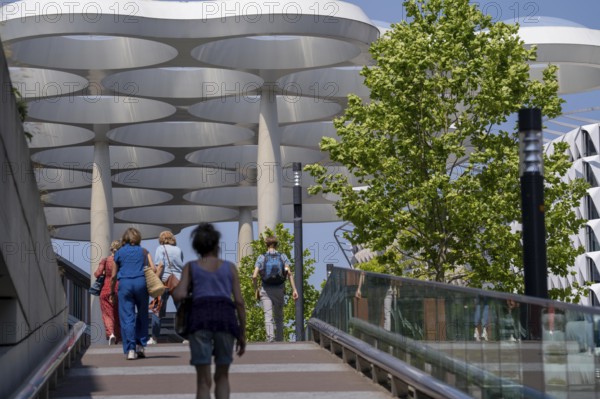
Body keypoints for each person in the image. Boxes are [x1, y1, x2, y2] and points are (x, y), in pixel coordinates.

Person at [172, 223, 246, 399]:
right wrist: (241, 333)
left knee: (203, 381)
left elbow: (179, 294)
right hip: (225, 320)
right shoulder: (230, 268)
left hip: (200, 319)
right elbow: (240, 302)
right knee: (222, 376)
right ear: (216, 244)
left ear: (197, 247)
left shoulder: (191, 267)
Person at [110, 227, 156, 360]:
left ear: (125, 238)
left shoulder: (119, 253)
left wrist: (112, 292)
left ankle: (131, 350)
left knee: (127, 318)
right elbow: (153, 268)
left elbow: (113, 276)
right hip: (141, 284)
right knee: (142, 315)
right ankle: (141, 346)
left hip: (125, 285)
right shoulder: (143, 251)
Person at [252, 235, 298, 342]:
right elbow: (289, 273)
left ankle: (270, 339)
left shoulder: (261, 257)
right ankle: (280, 340)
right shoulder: (283, 257)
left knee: (268, 315)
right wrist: (294, 289)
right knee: (279, 317)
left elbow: (254, 276)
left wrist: (256, 290)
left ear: (266, 245)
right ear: (277, 245)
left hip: (266, 290)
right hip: (279, 289)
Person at [148, 231, 184, 345]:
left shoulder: (160, 248)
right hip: (177, 282)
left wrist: (155, 280)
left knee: (157, 309)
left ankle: (154, 338)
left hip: (163, 282)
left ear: (162, 239)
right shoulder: (178, 250)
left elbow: (161, 265)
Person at [95, 240, 122, 345]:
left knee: (107, 314)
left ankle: (111, 334)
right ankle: (118, 337)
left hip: (106, 289)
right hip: (119, 289)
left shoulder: (105, 260)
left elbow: (97, 274)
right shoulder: (121, 261)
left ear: (111, 249)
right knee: (117, 314)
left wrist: (105, 272)